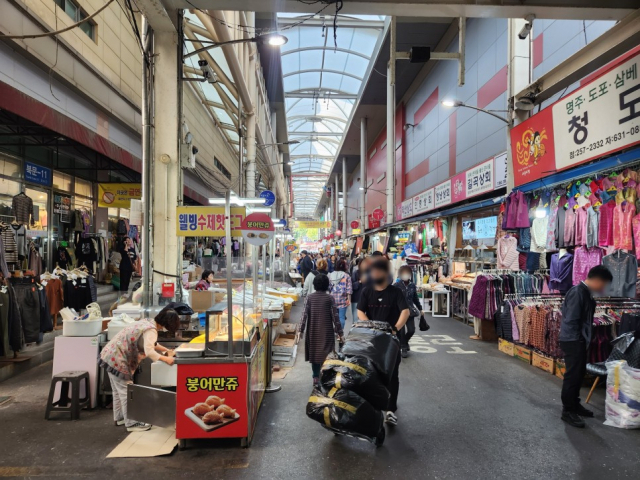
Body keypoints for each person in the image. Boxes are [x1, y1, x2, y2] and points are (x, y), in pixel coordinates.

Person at [99, 308, 180, 431]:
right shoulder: (151, 330)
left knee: (117, 390)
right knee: (126, 391)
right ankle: (131, 423)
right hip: (119, 359)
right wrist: (166, 359)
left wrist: (166, 350)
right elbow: (149, 351)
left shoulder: (147, 322)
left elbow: (151, 344)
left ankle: (120, 417)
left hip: (110, 355)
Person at [357, 258, 410, 425]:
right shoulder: (366, 291)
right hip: (372, 341)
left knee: (392, 376)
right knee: (372, 374)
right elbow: (360, 311)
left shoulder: (395, 292)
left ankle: (390, 410)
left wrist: (395, 329)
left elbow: (405, 312)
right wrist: (370, 327)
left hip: (391, 342)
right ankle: (375, 406)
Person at [559, 265, 612, 428]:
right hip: (573, 340)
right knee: (572, 376)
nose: (603, 288)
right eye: (603, 284)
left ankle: (574, 404)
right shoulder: (578, 293)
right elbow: (572, 320)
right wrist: (579, 340)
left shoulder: (585, 293)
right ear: (597, 280)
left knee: (579, 374)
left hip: (579, 340)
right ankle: (568, 411)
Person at [297, 274, 344, 387]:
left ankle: (315, 377)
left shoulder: (309, 297)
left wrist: (300, 331)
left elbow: (304, 315)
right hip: (326, 330)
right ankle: (325, 375)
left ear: (314, 284)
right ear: (327, 285)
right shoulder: (330, 298)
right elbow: (335, 317)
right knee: (326, 354)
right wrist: (340, 333)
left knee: (314, 354)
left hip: (312, 330)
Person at [394, 265, 423, 358]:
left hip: (410, 311)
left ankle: (405, 342)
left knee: (411, 330)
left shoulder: (412, 285)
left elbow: (415, 298)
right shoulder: (396, 285)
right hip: (399, 312)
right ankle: (403, 348)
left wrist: (420, 308)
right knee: (401, 332)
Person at [328, 259, 352, 329]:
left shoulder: (330, 275)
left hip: (332, 299)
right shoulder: (347, 276)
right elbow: (349, 289)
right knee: (341, 317)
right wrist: (349, 300)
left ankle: (335, 330)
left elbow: (329, 287)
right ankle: (340, 333)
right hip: (343, 300)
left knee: (334, 317)